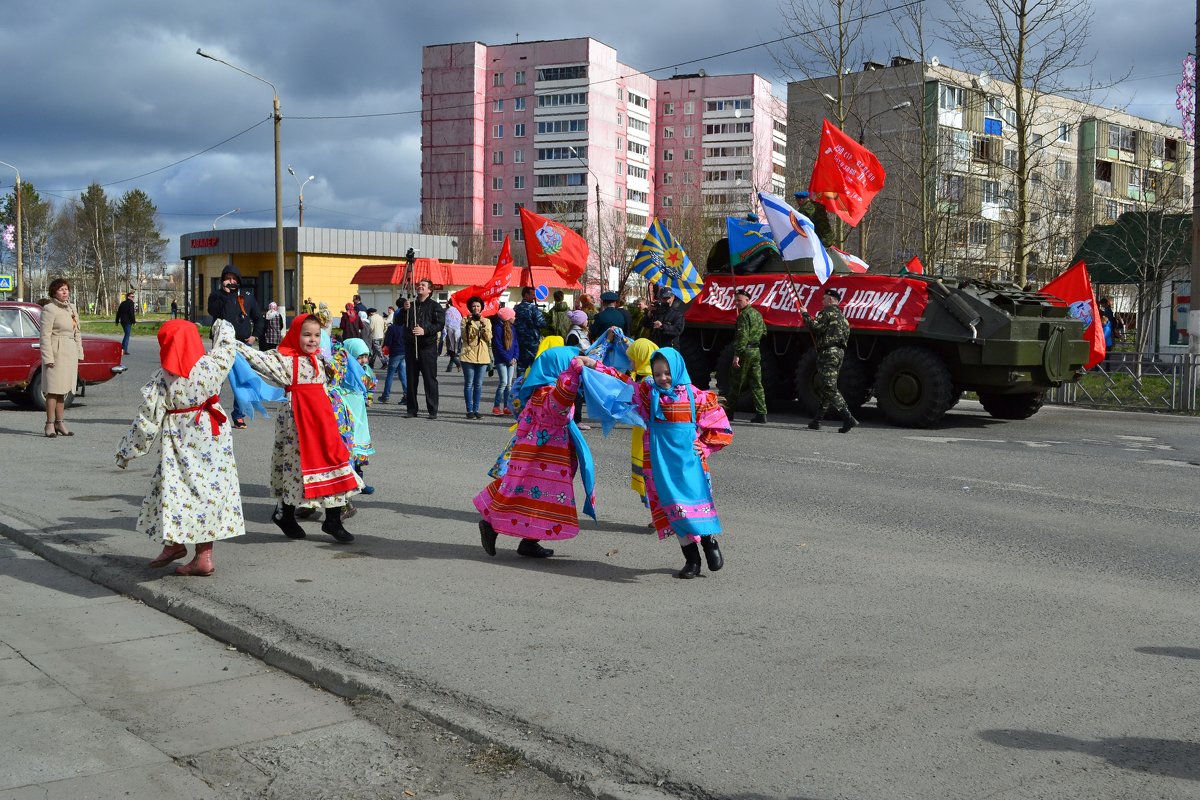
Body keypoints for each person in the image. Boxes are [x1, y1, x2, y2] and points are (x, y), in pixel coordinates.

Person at [115, 319, 243, 576]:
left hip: (181, 438)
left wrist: (128, 450)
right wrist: (222, 325)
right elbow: (228, 347)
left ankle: (174, 544)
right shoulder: (211, 365)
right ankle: (203, 556)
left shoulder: (163, 379)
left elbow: (147, 419)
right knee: (207, 491)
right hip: (213, 434)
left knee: (176, 489)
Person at [475, 347, 621, 559]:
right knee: (533, 494)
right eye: (567, 364)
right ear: (559, 368)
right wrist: (572, 373)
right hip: (544, 459)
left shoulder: (538, 389)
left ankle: (529, 541)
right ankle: (492, 523)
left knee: (527, 493)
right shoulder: (547, 392)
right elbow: (561, 403)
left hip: (540, 456)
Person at [235, 314, 360, 543]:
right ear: (295, 335)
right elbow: (255, 359)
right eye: (306, 335)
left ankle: (333, 519)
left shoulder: (320, 359)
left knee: (336, 462)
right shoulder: (284, 359)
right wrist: (230, 341)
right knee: (294, 468)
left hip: (323, 421)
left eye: (316, 335)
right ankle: (285, 514)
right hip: (297, 425)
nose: (312, 340)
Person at [633, 347, 733, 579]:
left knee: (695, 508)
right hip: (659, 465)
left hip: (691, 466)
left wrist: (706, 446)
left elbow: (722, 428)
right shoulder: (647, 394)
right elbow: (619, 384)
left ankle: (709, 542)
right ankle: (692, 560)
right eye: (657, 374)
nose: (662, 378)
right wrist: (591, 365)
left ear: (677, 369)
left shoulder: (696, 396)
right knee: (674, 511)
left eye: (667, 372)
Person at [206, 264, 264, 428]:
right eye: (227, 278)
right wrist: (224, 294)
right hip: (222, 345)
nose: (230, 281)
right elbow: (213, 311)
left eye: (233, 278)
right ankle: (212, 412)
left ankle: (239, 415)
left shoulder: (247, 296)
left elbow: (259, 318)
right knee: (217, 380)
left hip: (244, 344)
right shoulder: (216, 295)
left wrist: (255, 336)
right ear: (223, 280)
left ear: (238, 280)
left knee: (242, 380)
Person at [802, 287, 857, 433]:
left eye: (824, 298)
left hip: (828, 352)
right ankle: (817, 420)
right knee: (825, 386)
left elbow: (816, 327)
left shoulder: (826, 313)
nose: (822, 301)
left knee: (829, 386)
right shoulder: (843, 318)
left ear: (831, 300)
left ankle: (848, 417)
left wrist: (805, 314)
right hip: (839, 353)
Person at [329, 337, 376, 494]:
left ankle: (359, 481)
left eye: (365, 356)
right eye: (359, 357)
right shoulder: (344, 368)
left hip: (360, 411)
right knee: (348, 446)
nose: (363, 360)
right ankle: (348, 482)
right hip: (347, 410)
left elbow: (371, 384)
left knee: (359, 448)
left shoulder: (366, 370)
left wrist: (368, 397)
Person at [39, 278, 83, 438]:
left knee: (63, 391)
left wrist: (79, 352)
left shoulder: (71, 308)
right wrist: (48, 357)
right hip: (56, 353)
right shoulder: (49, 309)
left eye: (66, 289)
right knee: (53, 390)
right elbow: (44, 336)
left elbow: (77, 332)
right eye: (61, 289)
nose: (65, 292)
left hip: (69, 353)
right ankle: (49, 424)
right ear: (54, 292)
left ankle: (60, 422)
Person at [404, 278, 445, 419]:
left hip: (427, 348)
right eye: (419, 285)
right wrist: (404, 310)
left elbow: (440, 324)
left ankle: (432, 410)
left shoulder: (435, 306)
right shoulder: (411, 306)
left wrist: (425, 330)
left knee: (430, 380)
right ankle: (411, 409)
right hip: (411, 347)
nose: (420, 286)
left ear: (429, 290)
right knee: (411, 380)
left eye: (423, 285)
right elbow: (398, 322)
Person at [728, 288, 768, 424]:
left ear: (747, 300)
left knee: (736, 383)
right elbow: (764, 331)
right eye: (735, 300)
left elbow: (742, 336)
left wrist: (737, 355)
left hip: (745, 352)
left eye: (739, 300)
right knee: (757, 383)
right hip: (756, 351)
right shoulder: (757, 314)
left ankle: (729, 413)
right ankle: (761, 413)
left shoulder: (743, 315)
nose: (737, 303)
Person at [460, 296, 492, 419]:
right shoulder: (464, 320)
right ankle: (469, 410)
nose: (476, 308)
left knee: (478, 384)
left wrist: (483, 326)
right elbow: (465, 337)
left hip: (483, 357)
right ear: (470, 308)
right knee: (469, 384)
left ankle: (476, 409)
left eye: (478, 306)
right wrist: (469, 323)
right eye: (473, 306)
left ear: (481, 308)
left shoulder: (487, 321)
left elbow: (488, 338)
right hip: (468, 355)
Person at [491, 306, 519, 415]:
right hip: (501, 360)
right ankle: (496, 406)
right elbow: (498, 346)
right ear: (507, 318)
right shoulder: (498, 328)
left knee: (509, 385)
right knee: (503, 382)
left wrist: (515, 357)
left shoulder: (512, 328)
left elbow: (516, 344)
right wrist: (508, 359)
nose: (514, 318)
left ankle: (507, 406)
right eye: (513, 316)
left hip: (511, 360)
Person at [380, 300, 407, 403]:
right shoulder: (405, 328)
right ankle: (406, 394)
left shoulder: (392, 328)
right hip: (404, 352)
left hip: (395, 353)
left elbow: (388, 342)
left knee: (390, 374)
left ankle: (386, 395)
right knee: (403, 374)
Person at [514, 287, 547, 369]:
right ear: (526, 295)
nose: (534, 297)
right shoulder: (533, 309)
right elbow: (542, 323)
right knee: (533, 366)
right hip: (532, 342)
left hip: (519, 341)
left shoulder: (516, 308)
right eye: (532, 295)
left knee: (521, 366)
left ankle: (521, 381)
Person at [443, 302, 463, 373]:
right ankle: (449, 368)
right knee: (453, 351)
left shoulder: (448, 311)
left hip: (450, 332)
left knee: (451, 350)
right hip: (458, 332)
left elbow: (446, 323)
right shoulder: (458, 311)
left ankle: (458, 364)